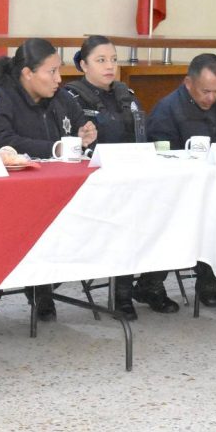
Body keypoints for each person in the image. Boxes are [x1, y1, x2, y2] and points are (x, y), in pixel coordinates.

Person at [0, 38, 97, 333]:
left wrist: (86, 134)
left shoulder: (61, 98)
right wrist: (54, 148)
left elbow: (79, 129)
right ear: (27, 73)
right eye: (51, 72)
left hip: (55, 192)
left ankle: (42, 287)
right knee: (6, 239)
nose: (59, 79)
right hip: (4, 196)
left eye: (59, 70)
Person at [64, 36, 179, 320]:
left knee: (173, 208)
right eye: (101, 60)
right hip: (95, 184)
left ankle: (151, 284)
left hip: (135, 178)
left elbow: (142, 136)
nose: (110, 66)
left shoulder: (126, 94)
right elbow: (69, 144)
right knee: (128, 217)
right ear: (83, 65)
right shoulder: (71, 98)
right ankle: (121, 293)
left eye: (114, 60)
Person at [147, 53, 216, 307]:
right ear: (188, 83)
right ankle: (205, 276)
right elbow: (162, 157)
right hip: (186, 193)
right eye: (205, 91)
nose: (211, 98)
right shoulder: (167, 110)